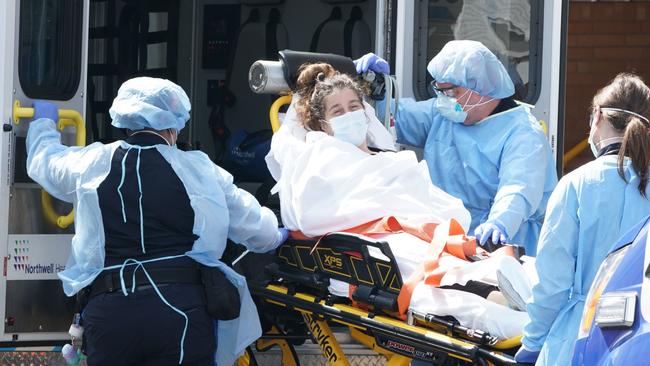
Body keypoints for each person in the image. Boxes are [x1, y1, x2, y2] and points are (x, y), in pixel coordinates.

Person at [26, 77, 288, 366]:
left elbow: (44, 162)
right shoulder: (199, 169)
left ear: (124, 119)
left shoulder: (91, 163)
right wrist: (278, 234)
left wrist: (43, 124)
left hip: (110, 312)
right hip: (180, 311)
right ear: (173, 126)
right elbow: (258, 231)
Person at [266, 63, 535, 340]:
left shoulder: (388, 158)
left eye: (354, 106)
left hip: (422, 230)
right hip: (382, 238)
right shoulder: (323, 155)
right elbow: (310, 212)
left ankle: (509, 292)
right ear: (323, 124)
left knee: (472, 260)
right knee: (427, 266)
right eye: (337, 111)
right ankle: (504, 301)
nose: (349, 115)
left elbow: (430, 198)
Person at [354, 40, 558, 255]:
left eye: (451, 92)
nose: (444, 99)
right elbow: (391, 118)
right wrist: (374, 89)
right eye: (440, 91)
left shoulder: (523, 133)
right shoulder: (444, 114)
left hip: (497, 246)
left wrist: (499, 223)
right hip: (443, 239)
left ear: (482, 87)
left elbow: (518, 188)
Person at [516, 73, 650, 365]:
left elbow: (552, 283)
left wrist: (534, 341)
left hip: (579, 338)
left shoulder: (576, 185)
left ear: (598, 116)